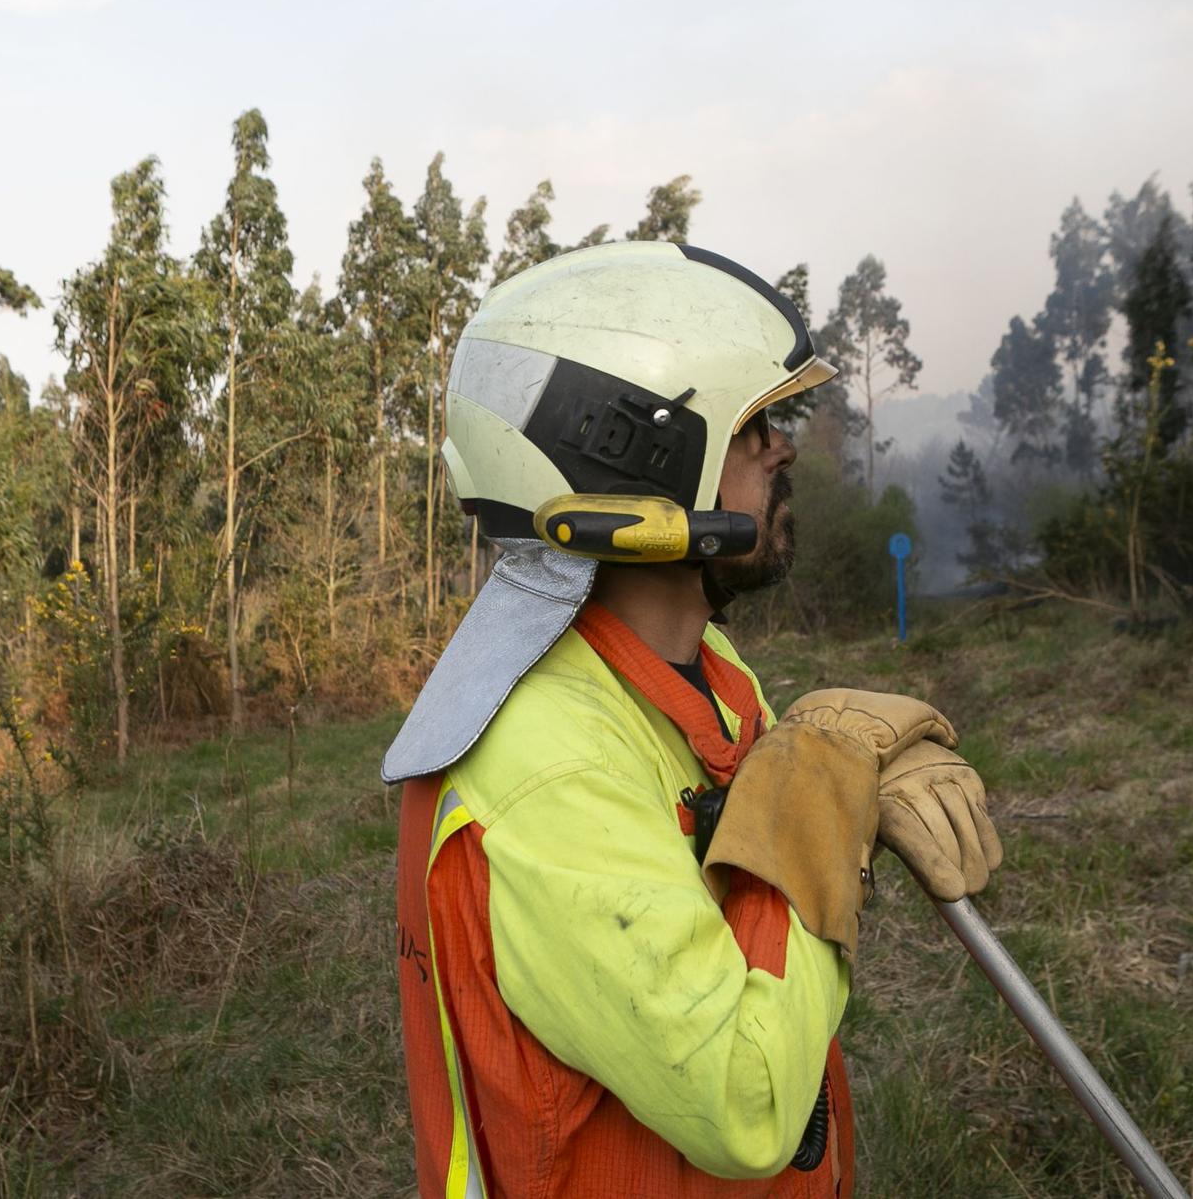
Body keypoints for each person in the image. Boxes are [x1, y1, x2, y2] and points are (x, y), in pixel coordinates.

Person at [384, 241, 1004, 1197]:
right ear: (640, 456)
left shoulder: (710, 671)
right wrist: (820, 796)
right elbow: (748, 1097)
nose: (782, 448)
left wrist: (847, 781)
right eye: (753, 424)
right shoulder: (547, 766)